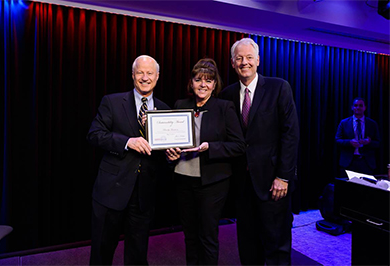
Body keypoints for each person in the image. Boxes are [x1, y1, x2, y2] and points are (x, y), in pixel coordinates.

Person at [219, 38, 299, 265]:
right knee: (247, 243)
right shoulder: (227, 95)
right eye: (239, 58)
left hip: (274, 183)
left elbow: (291, 135)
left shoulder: (279, 87)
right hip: (242, 184)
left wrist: (283, 177)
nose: (244, 62)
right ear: (233, 63)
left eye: (249, 58)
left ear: (258, 61)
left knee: (277, 244)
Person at [87, 55, 170, 265]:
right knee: (102, 251)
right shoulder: (112, 102)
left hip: (144, 195)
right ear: (132, 75)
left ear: (157, 77)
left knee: (137, 253)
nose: (145, 77)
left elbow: (163, 152)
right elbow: (95, 134)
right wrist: (127, 142)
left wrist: (172, 155)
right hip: (111, 191)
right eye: (140, 72)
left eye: (149, 73)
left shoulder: (165, 109)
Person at [165, 58, 246, 265]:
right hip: (183, 179)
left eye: (208, 80)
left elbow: (238, 145)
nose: (203, 84)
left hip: (213, 183)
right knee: (190, 235)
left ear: (214, 84)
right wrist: (169, 153)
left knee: (208, 236)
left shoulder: (224, 107)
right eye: (198, 79)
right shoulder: (180, 105)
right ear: (191, 83)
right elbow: (171, 140)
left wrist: (210, 147)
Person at [335, 97, 380, 177]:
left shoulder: (372, 124)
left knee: (365, 189)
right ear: (352, 107)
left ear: (365, 108)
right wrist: (349, 142)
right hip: (348, 162)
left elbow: (378, 143)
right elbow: (337, 140)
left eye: (360, 105)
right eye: (355, 105)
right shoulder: (344, 123)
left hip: (366, 163)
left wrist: (369, 142)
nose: (358, 107)